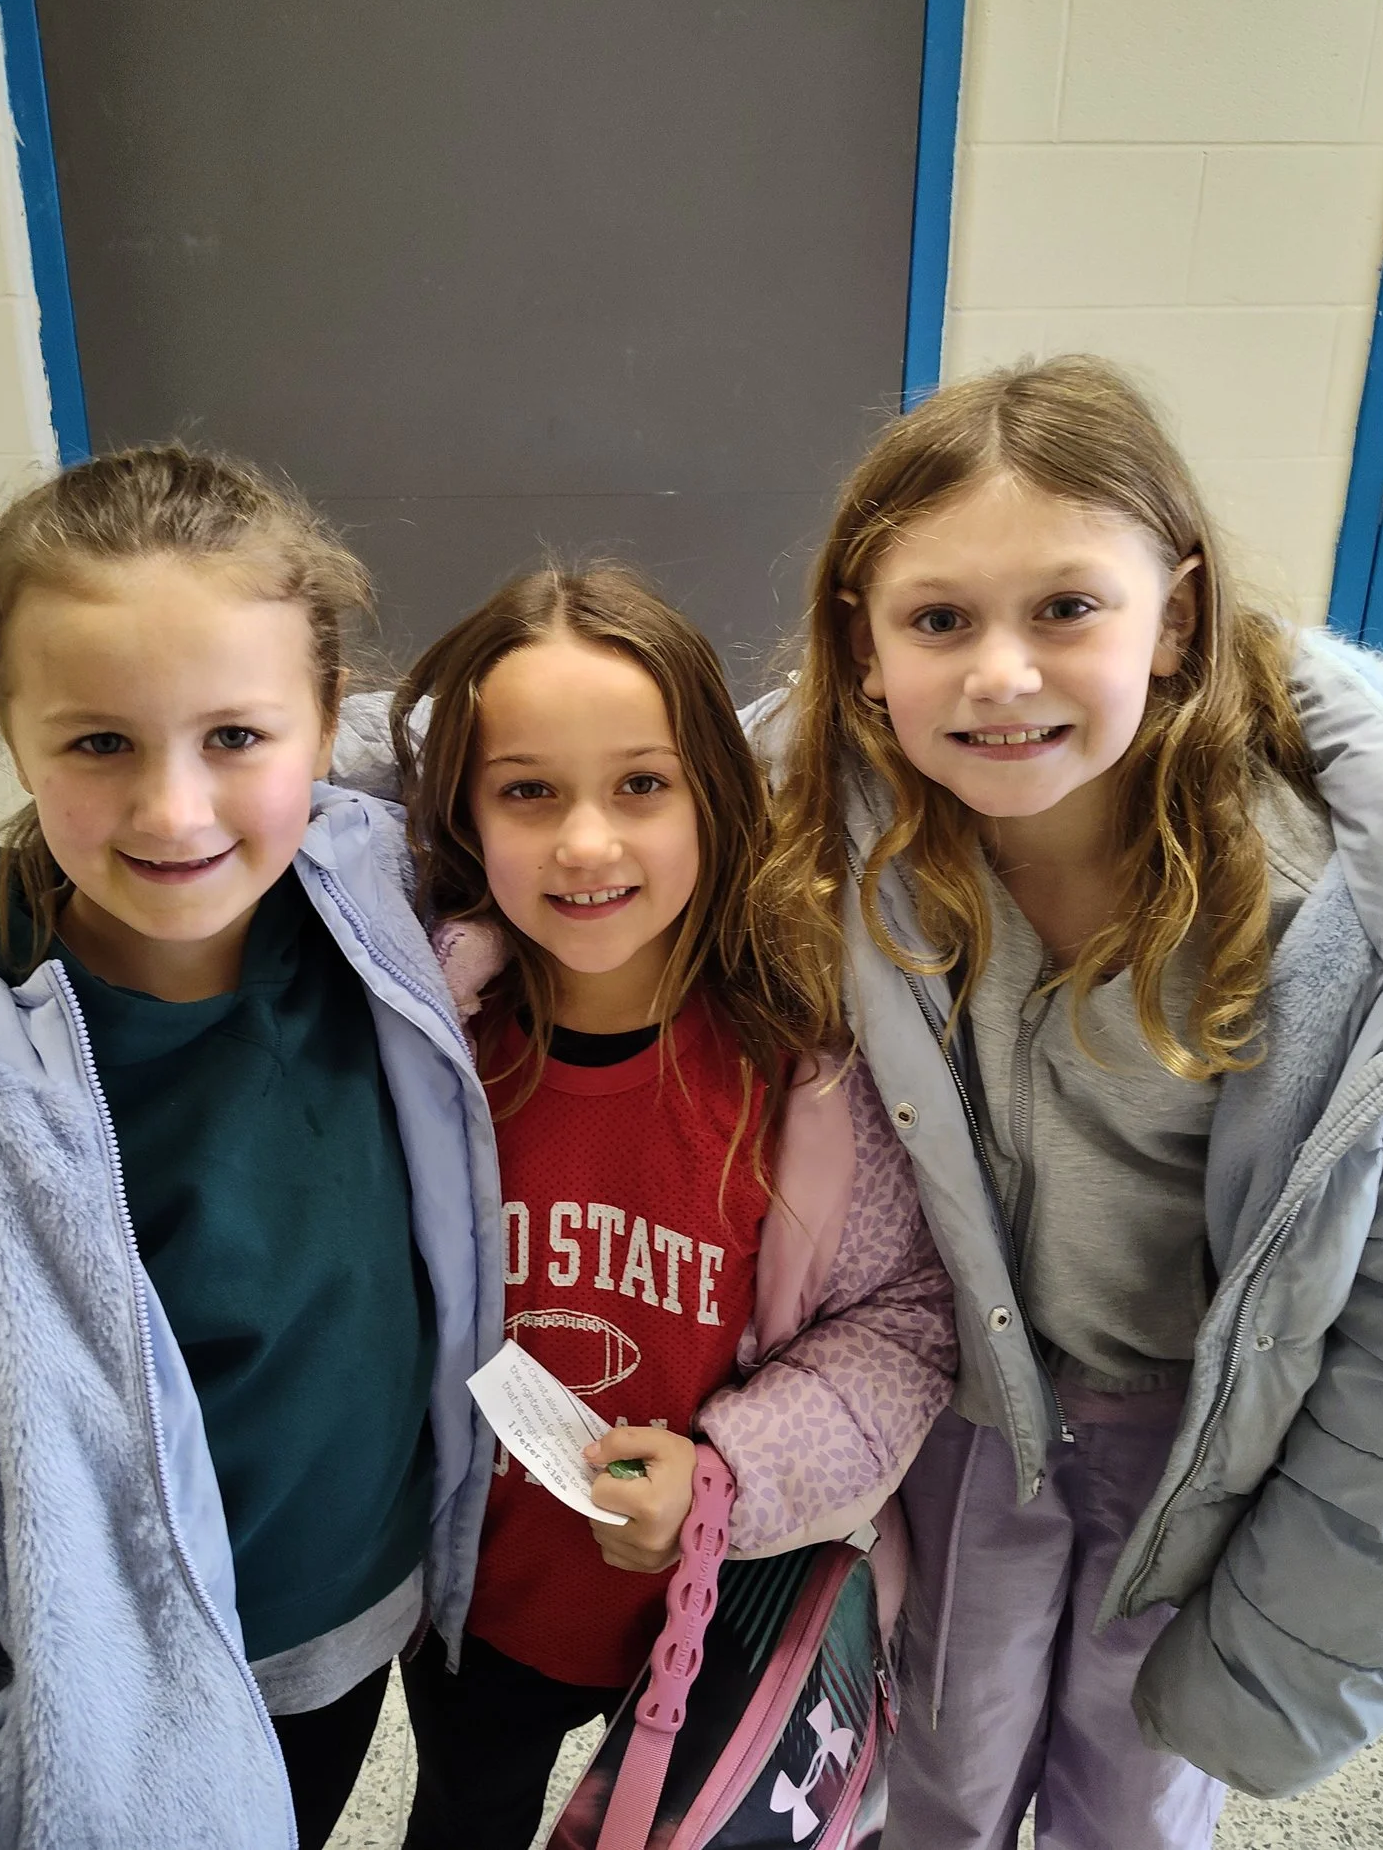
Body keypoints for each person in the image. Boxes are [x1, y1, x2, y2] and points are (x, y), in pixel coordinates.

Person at [753, 357, 1383, 1848]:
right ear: (868, 640)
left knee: (1142, 1793)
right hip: (957, 1420)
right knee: (932, 1785)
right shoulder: (823, 839)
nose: (1001, 673)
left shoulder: (1367, 920)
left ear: (1177, 616)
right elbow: (511, 741)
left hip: (1211, 1444)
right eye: (941, 618)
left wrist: (1306, 1640)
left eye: (1068, 608)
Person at [0, 446, 502, 1850]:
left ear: (329, 722)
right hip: (130, 1712)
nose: (174, 809)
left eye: (237, 737)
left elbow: (685, 747)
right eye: (99, 741)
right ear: (13, 733)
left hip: (366, 1610)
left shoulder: (389, 907)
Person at [382, 564, 957, 1850]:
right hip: (482, 1603)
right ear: (466, 819)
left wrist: (725, 1482)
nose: (588, 843)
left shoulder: (807, 1062)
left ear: (715, 795)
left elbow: (903, 1317)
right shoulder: (425, 1053)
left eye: (641, 784)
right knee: (465, 1813)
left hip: (724, 1602)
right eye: (528, 791)